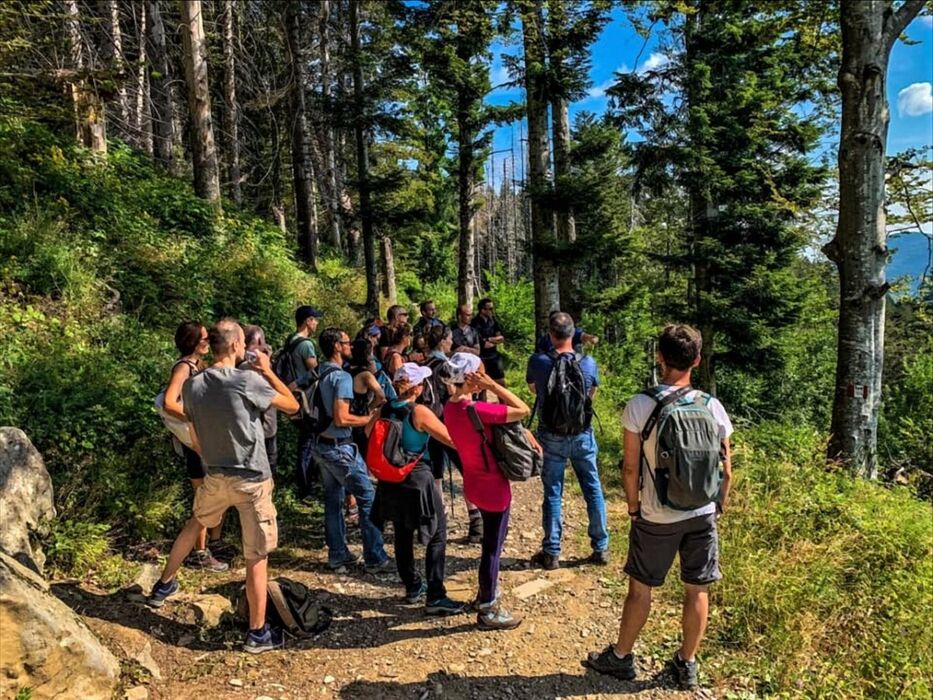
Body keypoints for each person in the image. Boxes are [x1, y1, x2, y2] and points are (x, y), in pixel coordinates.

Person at [585, 324, 733, 690]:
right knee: (697, 589)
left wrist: (634, 507)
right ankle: (687, 664)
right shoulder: (712, 406)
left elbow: (631, 466)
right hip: (701, 512)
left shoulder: (640, 405)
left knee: (641, 588)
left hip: (656, 514)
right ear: (696, 361)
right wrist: (718, 507)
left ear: (659, 357)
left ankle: (620, 657)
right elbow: (726, 468)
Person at [146, 320, 299, 655]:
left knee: (195, 523)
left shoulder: (194, 384)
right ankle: (257, 634)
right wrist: (269, 371)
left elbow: (191, 424)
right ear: (234, 346)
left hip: (215, 474)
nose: (245, 346)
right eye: (243, 341)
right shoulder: (247, 380)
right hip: (252, 479)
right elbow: (292, 406)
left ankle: (163, 586)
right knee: (256, 556)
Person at [439, 353, 531, 630]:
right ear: (470, 377)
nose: (485, 373)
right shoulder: (478, 410)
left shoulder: (449, 407)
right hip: (494, 487)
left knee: (489, 545)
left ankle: (483, 595)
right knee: (493, 548)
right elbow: (522, 409)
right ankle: (488, 608)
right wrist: (492, 386)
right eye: (480, 371)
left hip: (474, 483)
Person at [368, 363, 466, 616]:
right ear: (418, 387)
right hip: (417, 477)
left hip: (391, 478)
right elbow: (451, 440)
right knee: (437, 533)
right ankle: (436, 595)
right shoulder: (419, 411)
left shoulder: (386, 407)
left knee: (402, 532)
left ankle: (412, 586)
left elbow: (369, 431)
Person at [526, 312, 609, 570]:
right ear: (573, 334)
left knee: (553, 491)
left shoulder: (538, 361)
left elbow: (534, 390)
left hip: (551, 435)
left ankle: (551, 552)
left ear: (551, 335)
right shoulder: (589, 362)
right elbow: (590, 395)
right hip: (582, 433)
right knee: (592, 488)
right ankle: (601, 547)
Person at [310, 328, 391, 573]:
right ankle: (375, 557)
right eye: (346, 343)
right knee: (368, 497)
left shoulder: (319, 372)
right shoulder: (342, 378)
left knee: (333, 501)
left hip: (321, 446)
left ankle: (338, 554)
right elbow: (341, 418)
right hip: (339, 449)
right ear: (337, 346)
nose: (351, 347)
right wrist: (368, 419)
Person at [160, 321, 227, 572]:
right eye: (204, 339)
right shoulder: (184, 367)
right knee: (203, 497)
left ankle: (208, 546)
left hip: (203, 440)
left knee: (213, 496)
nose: (208, 342)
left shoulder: (198, 366)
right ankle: (199, 553)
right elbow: (169, 401)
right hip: (195, 444)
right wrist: (195, 417)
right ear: (192, 341)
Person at [422, 325, 483, 543]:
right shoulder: (446, 365)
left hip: (427, 423)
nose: (451, 342)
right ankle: (476, 521)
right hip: (448, 423)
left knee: (435, 475)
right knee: (466, 469)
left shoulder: (423, 364)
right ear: (443, 342)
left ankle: (437, 522)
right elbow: (451, 392)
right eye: (449, 339)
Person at [287, 306, 324, 500]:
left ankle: (305, 483)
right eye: (315, 319)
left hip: (295, 398)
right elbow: (315, 371)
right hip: (307, 399)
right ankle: (306, 488)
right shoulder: (306, 345)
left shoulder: (290, 341)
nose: (317, 323)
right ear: (308, 321)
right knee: (308, 444)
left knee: (306, 441)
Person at [242, 325, 279, 470]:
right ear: (257, 342)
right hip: (263, 431)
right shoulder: (252, 367)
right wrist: (267, 365)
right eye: (263, 341)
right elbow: (276, 393)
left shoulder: (237, 364)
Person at [471, 298, 506, 385]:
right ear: (482, 310)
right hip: (481, 358)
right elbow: (483, 344)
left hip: (494, 356)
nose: (492, 311)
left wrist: (488, 339)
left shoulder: (493, 321)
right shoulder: (475, 323)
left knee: (501, 383)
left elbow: (501, 338)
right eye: (490, 309)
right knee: (482, 385)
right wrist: (492, 340)